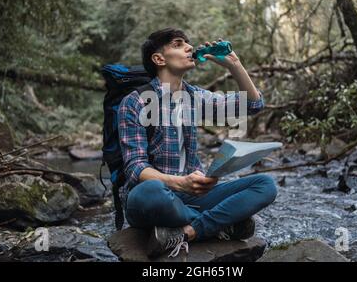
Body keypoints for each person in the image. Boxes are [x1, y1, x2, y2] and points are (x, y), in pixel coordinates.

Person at [118, 28, 277, 258]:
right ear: (159, 58)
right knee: (153, 192)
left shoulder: (195, 97)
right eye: (179, 44)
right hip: (153, 196)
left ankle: (190, 231)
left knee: (265, 184)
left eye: (188, 44)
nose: (189, 48)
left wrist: (235, 66)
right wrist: (180, 183)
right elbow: (135, 167)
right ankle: (223, 223)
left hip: (194, 196)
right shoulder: (134, 102)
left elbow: (253, 105)